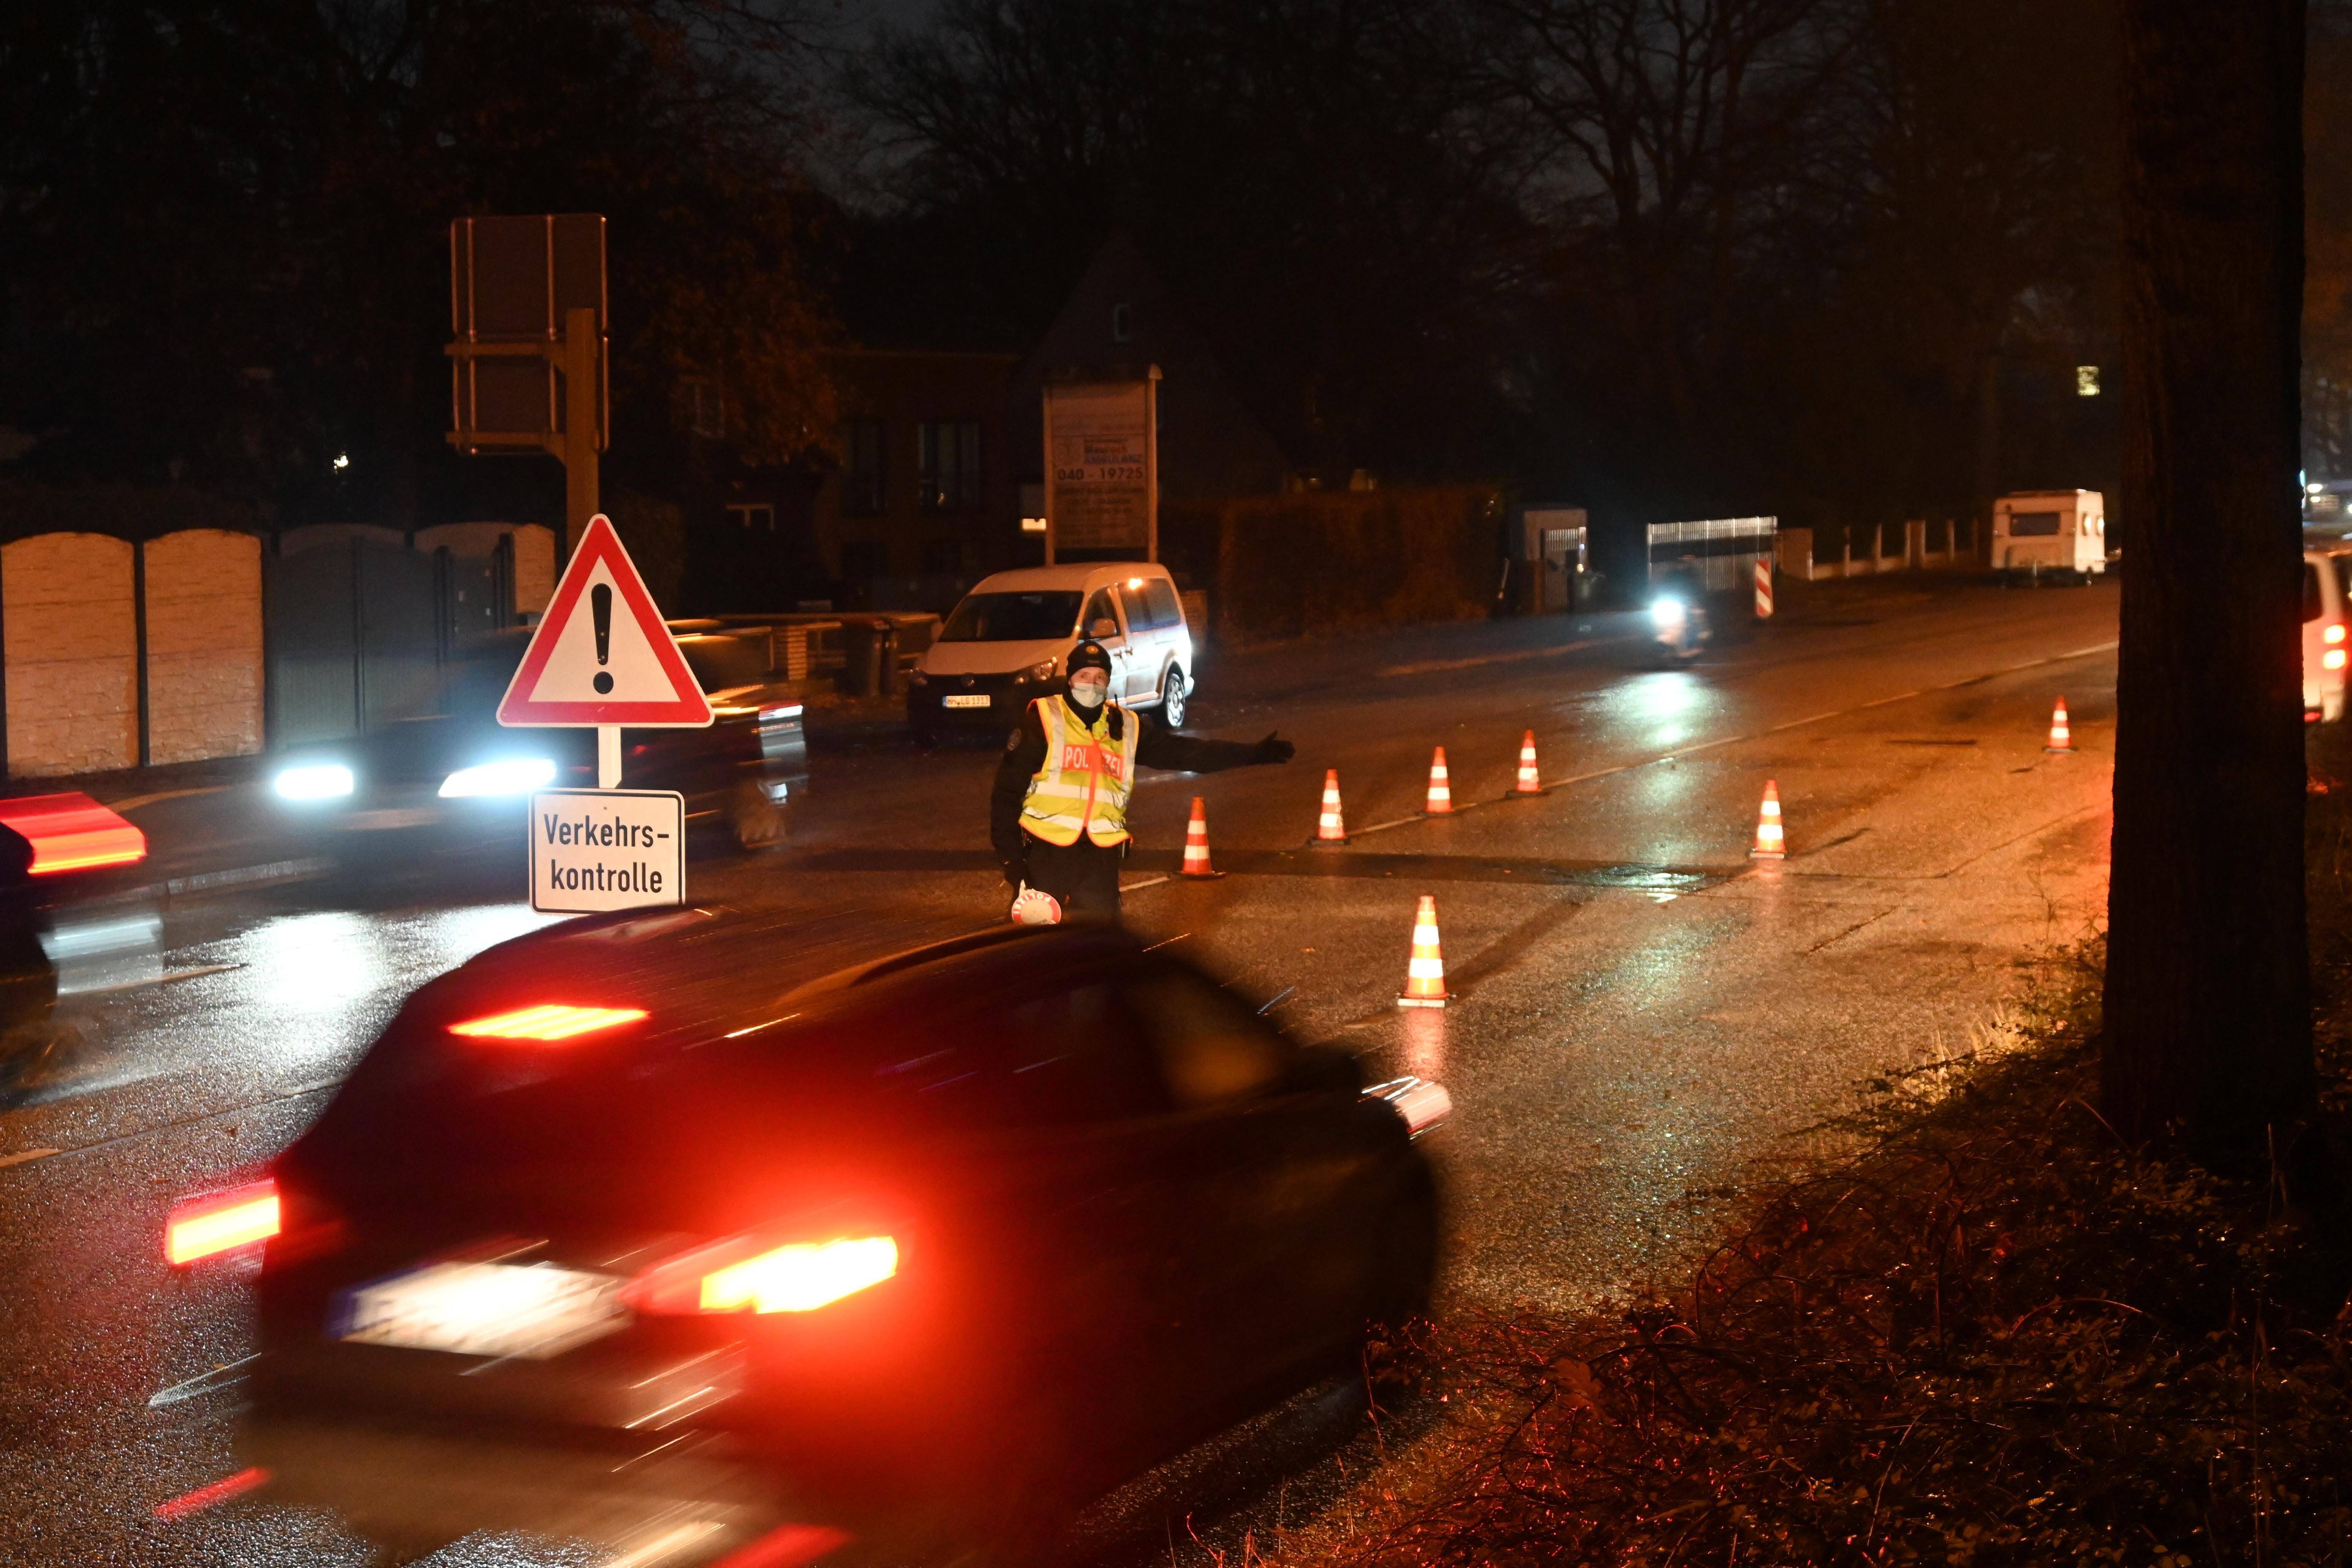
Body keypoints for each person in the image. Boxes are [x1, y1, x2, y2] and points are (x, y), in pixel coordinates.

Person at [991, 641, 1293, 922]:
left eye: (1100, 678)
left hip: (1100, 859)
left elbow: (1189, 754)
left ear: (1108, 682)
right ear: (1070, 679)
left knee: (1097, 955)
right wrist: (1014, 866)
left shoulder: (1125, 726)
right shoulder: (1043, 720)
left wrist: (1252, 754)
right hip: (1045, 858)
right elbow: (1005, 796)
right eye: (1084, 675)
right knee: (1036, 954)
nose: (1092, 684)